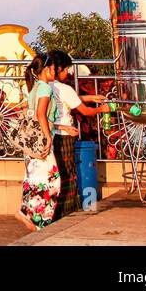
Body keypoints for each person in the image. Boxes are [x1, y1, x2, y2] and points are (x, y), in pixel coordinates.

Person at [46, 50, 111, 219]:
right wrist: (101, 109)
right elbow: (86, 112)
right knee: (68, 173)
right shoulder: (64, 88)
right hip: (65, 134)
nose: (68, 73)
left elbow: (71, 98)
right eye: (66, 69)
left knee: (56, 172)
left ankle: (52, 211)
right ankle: (66, 212)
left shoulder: (44, 86)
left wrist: (89, 97)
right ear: (58, 68)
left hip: (51, 133)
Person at [16, 53, 60, 232]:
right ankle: (38, 220)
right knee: (52, 181)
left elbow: (28, 109)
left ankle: (28, 214)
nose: (55, 72)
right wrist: (48, 136)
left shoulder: (35, 88)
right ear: (48, 68)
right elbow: (41, 113)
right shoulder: (45, 89)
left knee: (34, 178)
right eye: (54, 68)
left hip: (32, 141)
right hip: (42, 139)